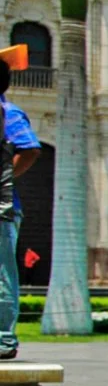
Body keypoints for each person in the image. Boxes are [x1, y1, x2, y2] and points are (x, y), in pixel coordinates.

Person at [0, 48, 41, 362]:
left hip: (2, 210)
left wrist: (5, 177)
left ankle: (3, 339)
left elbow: (29, 149)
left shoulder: (8, 113)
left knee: (1, 274)